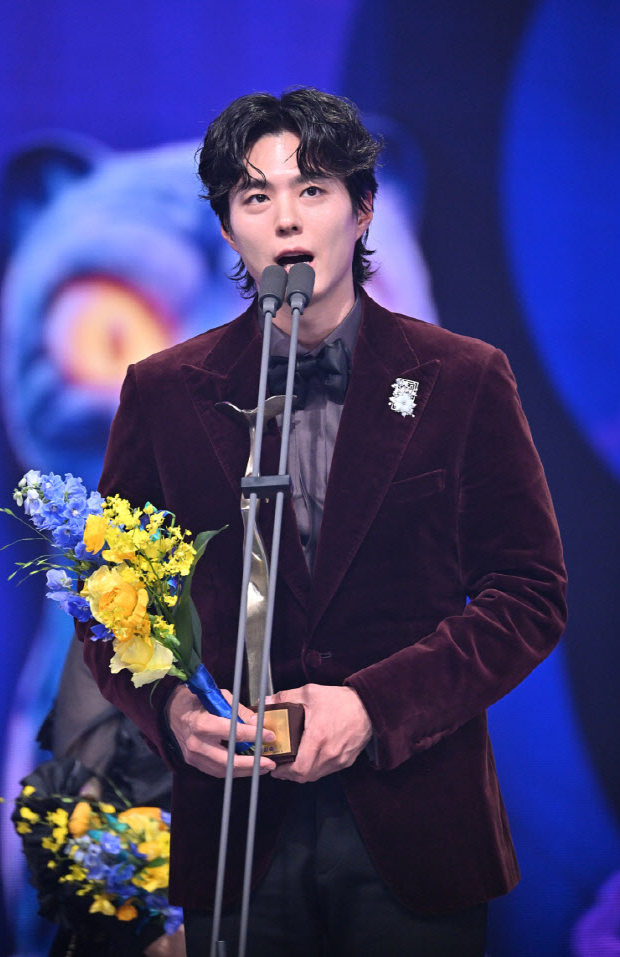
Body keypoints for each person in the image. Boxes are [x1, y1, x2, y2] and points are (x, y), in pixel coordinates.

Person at [78, 88, 567, 956]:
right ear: (228, 227)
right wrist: (172, 712)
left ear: (363, 207)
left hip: (417, 823)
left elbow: (528, 594)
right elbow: (109, 604)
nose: (286, 218)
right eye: (254, 195)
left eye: (312, 188)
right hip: (237, 832)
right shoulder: (164, 391)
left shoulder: (462, 377)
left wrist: (374, 707)